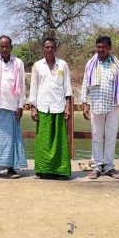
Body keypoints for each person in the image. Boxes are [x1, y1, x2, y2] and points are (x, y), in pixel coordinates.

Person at [81, 35, 119, 180]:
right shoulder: (91, 64)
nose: (101, 49)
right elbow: (85, 83)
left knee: (111, 138)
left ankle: (109, 167)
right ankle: (97, 167)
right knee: (97, 138)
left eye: (104, 47)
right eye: (99, 47)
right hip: (96, 105)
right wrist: (84, 103)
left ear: (109, 48)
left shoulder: (116, 64)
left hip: (112, 106)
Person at [0, 35, 27, 178]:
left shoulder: (18, 62)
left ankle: (11, 169)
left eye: (7, 46)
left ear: (11, 47)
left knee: (12, 139)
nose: (4, 48)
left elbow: (21, 85)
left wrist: (20, 105)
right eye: (1, 46)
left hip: (12, 106)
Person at [29, 37, 73, 179]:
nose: (49, 49)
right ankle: (42, 170)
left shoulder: (63, 65)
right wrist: (33, 108)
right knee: (43, 140)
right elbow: (33, 88)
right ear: (43, 48)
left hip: (58, 106)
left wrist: (68, 107)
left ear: (55, 48)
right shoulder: (37, 65)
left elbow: (67, 87)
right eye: (47, 47)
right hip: (43, 107)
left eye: (52, 47)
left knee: (59, 141)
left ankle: (61, 171)